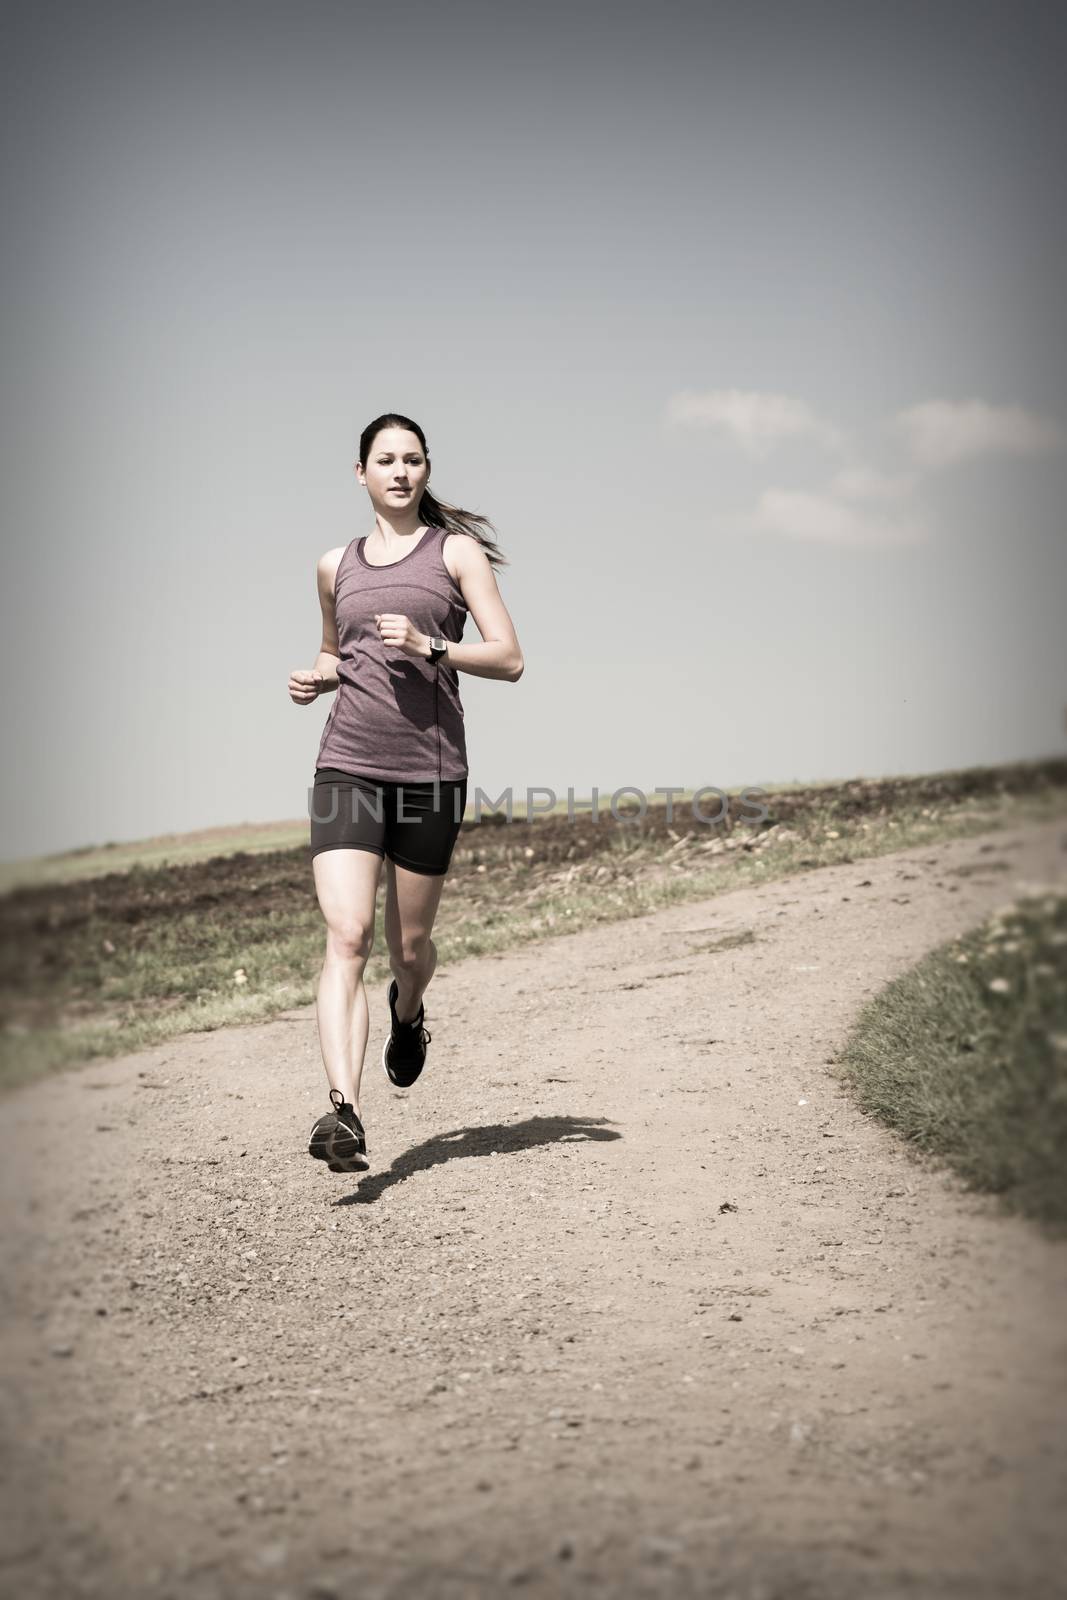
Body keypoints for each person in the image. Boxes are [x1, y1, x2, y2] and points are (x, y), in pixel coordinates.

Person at [288, 413, 524, 1173]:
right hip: (347, 768)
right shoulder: (335, 565)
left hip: (428, 776)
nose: (399, 471)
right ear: (360, 473)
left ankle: (409, 1012)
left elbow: (511, 657)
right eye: (384, 460)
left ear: (425, 471)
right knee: (346, 935)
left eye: (412, 459)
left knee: (409, 949)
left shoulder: (454, 554)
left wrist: (433, 646)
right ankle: (344, 1113)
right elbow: (336, 652)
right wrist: (314, 676)